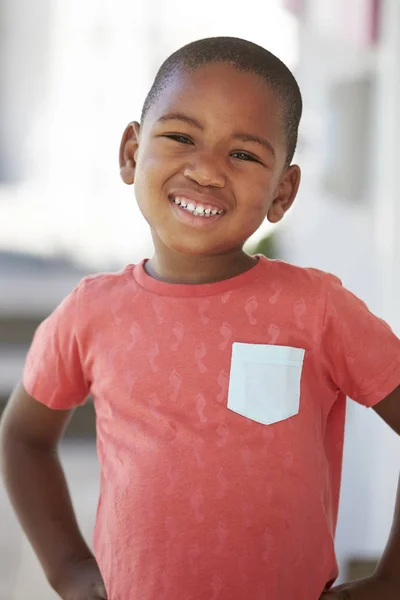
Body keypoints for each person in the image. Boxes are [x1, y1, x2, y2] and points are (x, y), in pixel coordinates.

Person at [1, 36, 400, 600]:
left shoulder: (316, 309)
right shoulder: (90, 312)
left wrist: (393, 579)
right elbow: (23, 437)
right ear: (131, 153)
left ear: (282, 192)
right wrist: (66, 566)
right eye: (182, 136)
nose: (207, 170)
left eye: (243, 154)